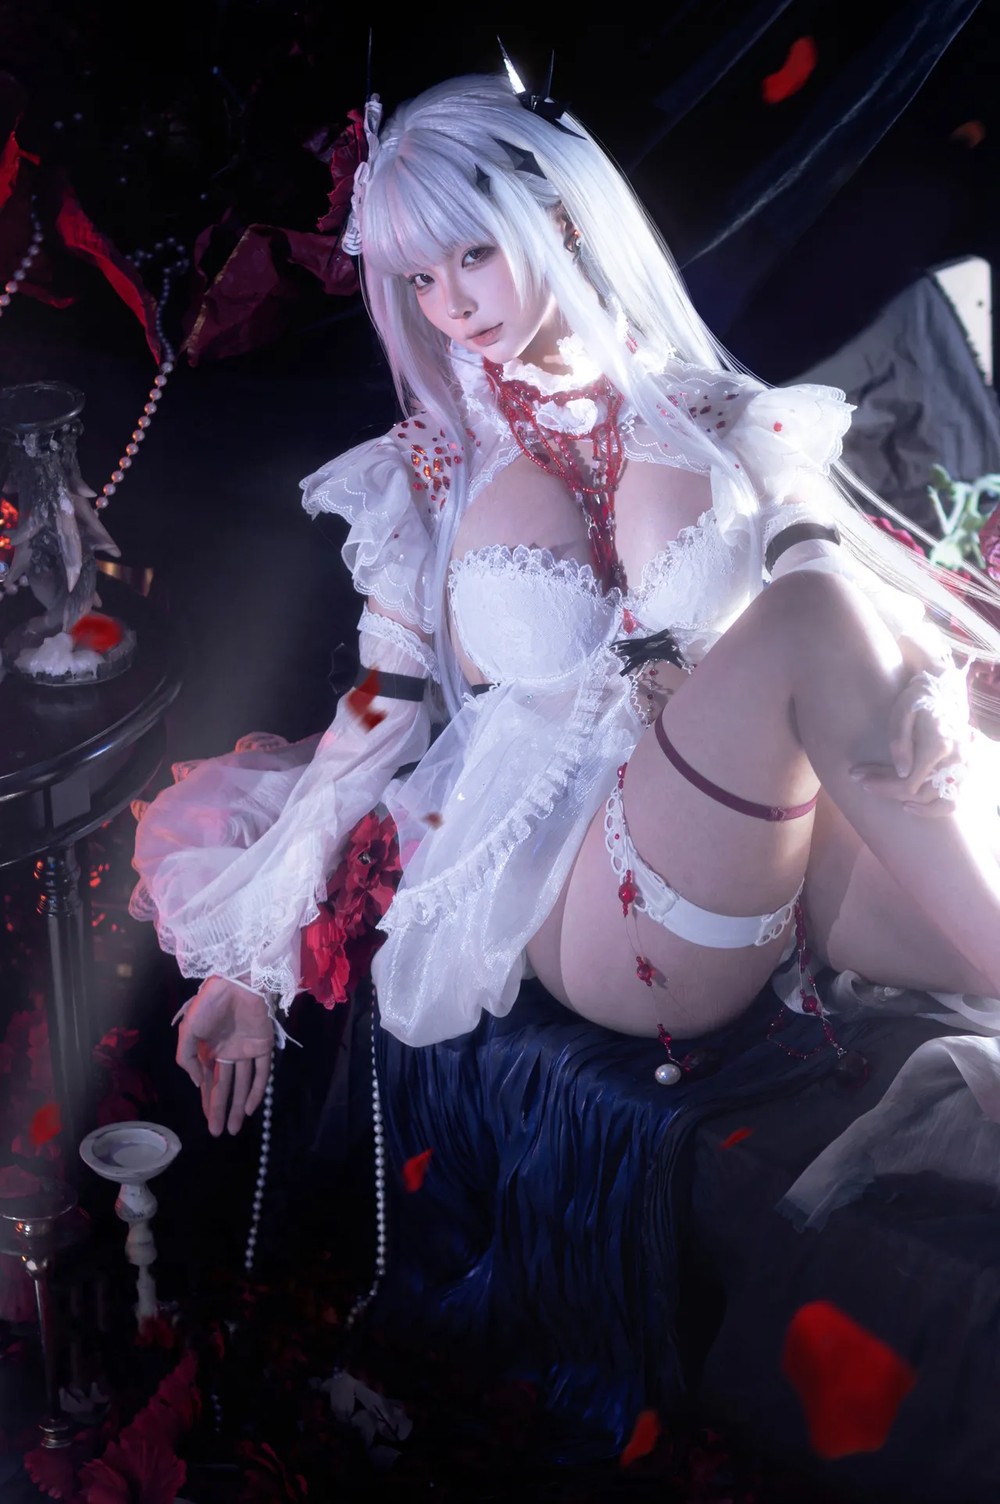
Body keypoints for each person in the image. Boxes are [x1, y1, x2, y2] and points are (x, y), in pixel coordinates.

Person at [131, 71, 1000, 1145]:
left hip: (788, 853)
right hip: (592, 894)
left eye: (473, 254)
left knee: (846, 645)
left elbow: (828, 563)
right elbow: (374, 716)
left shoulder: (714, 413)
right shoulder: (427, 473)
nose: (451, 304)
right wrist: (249, 961)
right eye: (420, 276)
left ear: (560, 219)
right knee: (806, 616)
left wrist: (922, 679)